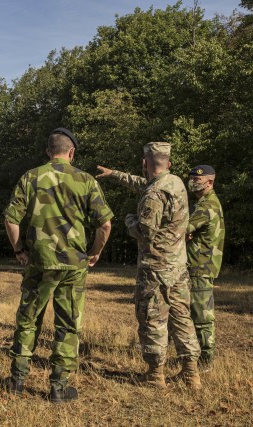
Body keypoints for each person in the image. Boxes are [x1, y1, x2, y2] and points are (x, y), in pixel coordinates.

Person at [4, 128, 113, 403]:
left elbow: (10, 219)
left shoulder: (31, 177)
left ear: (48, 152)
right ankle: (58, 387)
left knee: (28, 320)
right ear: (71, 152)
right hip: (73, 264)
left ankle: (17, 380)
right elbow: (105, 224)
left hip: (38, 262)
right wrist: (94, 252)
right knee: (68, 324)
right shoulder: (85, 180)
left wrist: (20, 250)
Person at [96, 142, 202, 389]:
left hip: (155, 269)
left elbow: (145, 232)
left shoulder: (154, 195)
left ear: (145, 164)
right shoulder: (176, 183)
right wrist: (115, 175)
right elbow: (144, 184)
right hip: (178, 268)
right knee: (182, 318)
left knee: (152, 318)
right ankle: (191, 374)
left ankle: (156, 375)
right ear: (169, 163)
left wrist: (129, 220)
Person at [186, 165, 225, 368]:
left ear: (210, 182)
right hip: (199, 265)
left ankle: (206, 361)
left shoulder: (206, 206)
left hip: (200, 266)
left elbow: (181, 229)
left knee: (202, 316)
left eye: (197, 179)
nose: (193, 182)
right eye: (191, 178)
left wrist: (185, 232)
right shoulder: (205, 203)